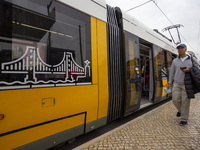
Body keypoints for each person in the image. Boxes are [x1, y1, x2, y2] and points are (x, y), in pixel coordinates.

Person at [167, 43, 197, 126]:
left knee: (185, 102)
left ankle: (184, 119)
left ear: (185, 49)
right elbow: (172, 72)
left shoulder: (191, 59)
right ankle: (181, 111)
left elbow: (197, 70)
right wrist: (169, 82)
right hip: (176, 83)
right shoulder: (175, 61)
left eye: (181, 48)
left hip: (187, 84)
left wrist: (189, 70)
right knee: (175, 100)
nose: (179, 50)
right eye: (178, 49)